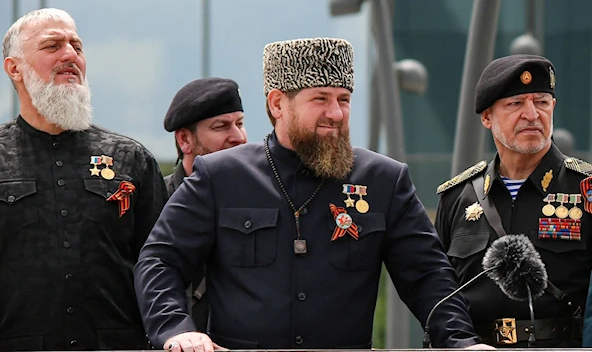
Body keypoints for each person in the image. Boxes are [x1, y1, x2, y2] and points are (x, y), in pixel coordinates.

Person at [134, 37, 490, 351]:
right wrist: (176, 330)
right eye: (320, 99)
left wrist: (461, 342)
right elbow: (160, 260)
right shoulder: (221, 175)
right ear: (277, 104)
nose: (335, 113)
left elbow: (428, 275)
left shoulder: (384, 179)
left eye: (344, 99)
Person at [1, 8, 168, 351]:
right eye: (52, 46)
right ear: (14, 68)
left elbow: (163, 266)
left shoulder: (130, 158)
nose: (69, 56)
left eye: (76, 46)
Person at [436, 54, 592, 348]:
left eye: (541, 101)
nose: (532, 114)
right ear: (487, 117)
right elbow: (439, 291)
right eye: (515, 104)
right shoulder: (458, 197)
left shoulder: (590, 190)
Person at [163, 77, 247, 331]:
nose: (238, 137)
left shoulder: (262, 199)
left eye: (240, 124)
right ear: (185, 140)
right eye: (221, 126)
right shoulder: (155, 201)